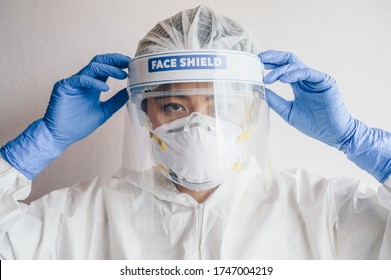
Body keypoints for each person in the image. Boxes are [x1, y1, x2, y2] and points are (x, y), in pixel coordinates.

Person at [0, 5, 390, 260]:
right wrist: (41, 144)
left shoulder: (321, 209)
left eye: (222, 105)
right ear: (145, 113)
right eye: (174, 105)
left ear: (254, 110)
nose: (200, 124)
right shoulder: (85, 214)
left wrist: (358, 141)